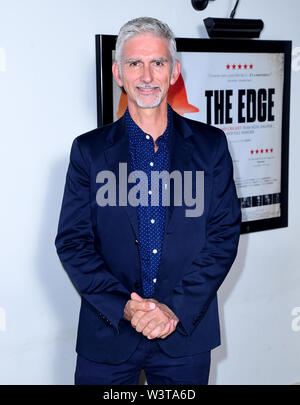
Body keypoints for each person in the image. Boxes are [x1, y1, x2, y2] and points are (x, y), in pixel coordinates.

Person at [55, 16, 241, 385]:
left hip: (184, 333)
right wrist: (125, 306)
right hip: (108, 334)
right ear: (118, 73)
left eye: (157, 62)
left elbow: (223, 237)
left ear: (174, 72)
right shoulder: (88, 152)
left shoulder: (211, 146)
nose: (146, 75)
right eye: (134, 63)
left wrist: (174, 308)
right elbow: (73, 243)